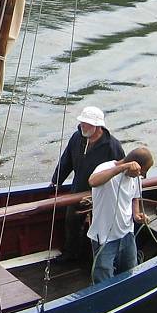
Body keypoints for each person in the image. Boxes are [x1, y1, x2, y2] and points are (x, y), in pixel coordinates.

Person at [50, 105, 124, 266]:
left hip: (101, 194)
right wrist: (56, 181)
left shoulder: (112, 146)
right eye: (82, 122)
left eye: (87, 124)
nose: (83, 126)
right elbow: (66, 161)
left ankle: (93, 257)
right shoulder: (77, 138)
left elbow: (121, 170)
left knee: (98, 227)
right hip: (77, 189)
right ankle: (71, 254)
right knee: (71, 221)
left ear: (98, 126)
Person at [87, 146, 154, 284]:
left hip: (127, 234)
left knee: (129, 271)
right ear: (133, 165)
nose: (144, 176)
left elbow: (135, 197)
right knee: (103, 277)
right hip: (105, 237)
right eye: (143, 172)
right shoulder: (105, 167)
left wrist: (136, 214)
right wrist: (123, 167)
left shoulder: (136, 178)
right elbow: (93, 181)